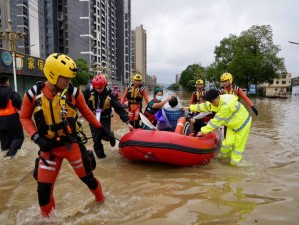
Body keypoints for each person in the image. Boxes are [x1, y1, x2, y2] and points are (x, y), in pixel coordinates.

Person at [20, 53, 114, 217]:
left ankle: (101, 203)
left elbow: (87, 113)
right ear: (53, 74)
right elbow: (24, 117)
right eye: (66, 78)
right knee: (43, 191)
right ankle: (48, 220)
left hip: (71, 145)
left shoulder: (74, 93)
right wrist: (36, 137)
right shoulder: (32, 94)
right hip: (48, 148)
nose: (69, 81)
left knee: (88, 179)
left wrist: (104, 130)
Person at [183, 89, 252, 166]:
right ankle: (224, 161)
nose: (212, 104)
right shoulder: (214, 102)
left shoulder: (226, 106)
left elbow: (215, 122)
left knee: (237, 149)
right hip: (232, 126)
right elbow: (204, 106)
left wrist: (202, 131)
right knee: (226, 146)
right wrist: (190, 107)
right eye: (211, 102)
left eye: (213, 101)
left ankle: (235, 165)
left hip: (243, 125)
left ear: (218, 97)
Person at [84, 74, 133, 158]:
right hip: (93, 118)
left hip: (105, 118)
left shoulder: (110, 95)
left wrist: (127, 122)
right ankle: (101, 157)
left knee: (106, 136)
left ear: (104, 85)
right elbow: (81, 104)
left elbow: (119, 108)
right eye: (97, 88)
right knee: (96, 139)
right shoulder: (88, 93)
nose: (98, 90)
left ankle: (111, 136)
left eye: (100, 88)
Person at [0, 75, 24, 158]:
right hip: (12, 119)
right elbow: (21, 106)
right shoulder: (12, 93)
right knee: (18, 137)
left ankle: (4, 153)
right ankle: (11, 156)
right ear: (7, 82)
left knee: (4, 139)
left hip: (0, 121)